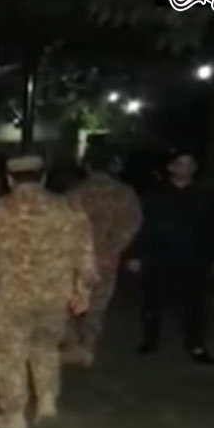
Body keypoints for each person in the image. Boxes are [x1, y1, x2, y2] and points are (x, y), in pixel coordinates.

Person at [0, 155, 95, 428]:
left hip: (10, 299)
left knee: (9, 355)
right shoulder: (68, 209)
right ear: (43, 177)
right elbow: (85, 254)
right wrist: (82, 291)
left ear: (9, 179)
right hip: (54, 297)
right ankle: (47, 404)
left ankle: (14, 415)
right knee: (46, 348)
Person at [128, 150, 214, 364]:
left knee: (195, 304)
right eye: (180, 163)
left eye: (190, 164)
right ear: (171, 167)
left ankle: (196, 344)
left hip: (193, 256)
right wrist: (136, 255)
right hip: (159, 256)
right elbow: (144, 226)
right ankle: (150, 341)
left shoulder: (205, 196)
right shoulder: (156, 195)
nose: (185, 168)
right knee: (152, 301)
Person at [63, 150, 143, 366]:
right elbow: (133, 224)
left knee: (70, 302)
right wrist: (113, 250)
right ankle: (88, 346)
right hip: (108, 259)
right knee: (97, 306)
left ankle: (73, 344)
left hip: (78, 260)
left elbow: (65, 227)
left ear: (87, 166)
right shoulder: (125, 194)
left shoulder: (76, 193)